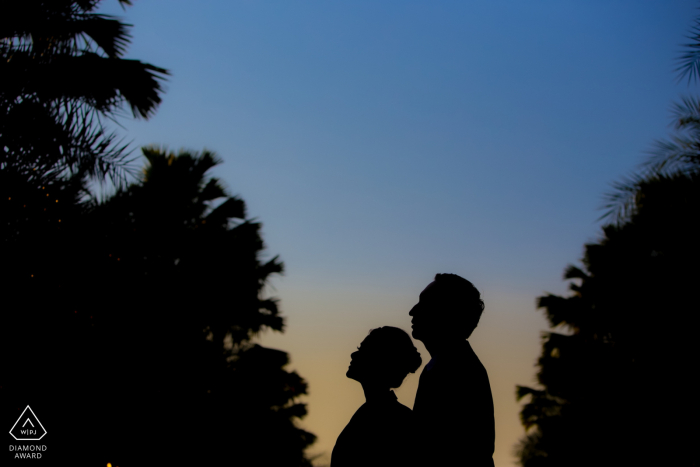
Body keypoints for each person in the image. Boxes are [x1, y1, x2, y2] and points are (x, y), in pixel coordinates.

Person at [410, 273, 495, 467]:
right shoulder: (449, 366)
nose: (412, 311)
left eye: (424, 304)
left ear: (446, 312)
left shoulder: (455, 371)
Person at [331, 326, 422, 467]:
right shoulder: (376, 413)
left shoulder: (393, 419)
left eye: (362, 350)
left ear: (379, 361)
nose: (353, 354)